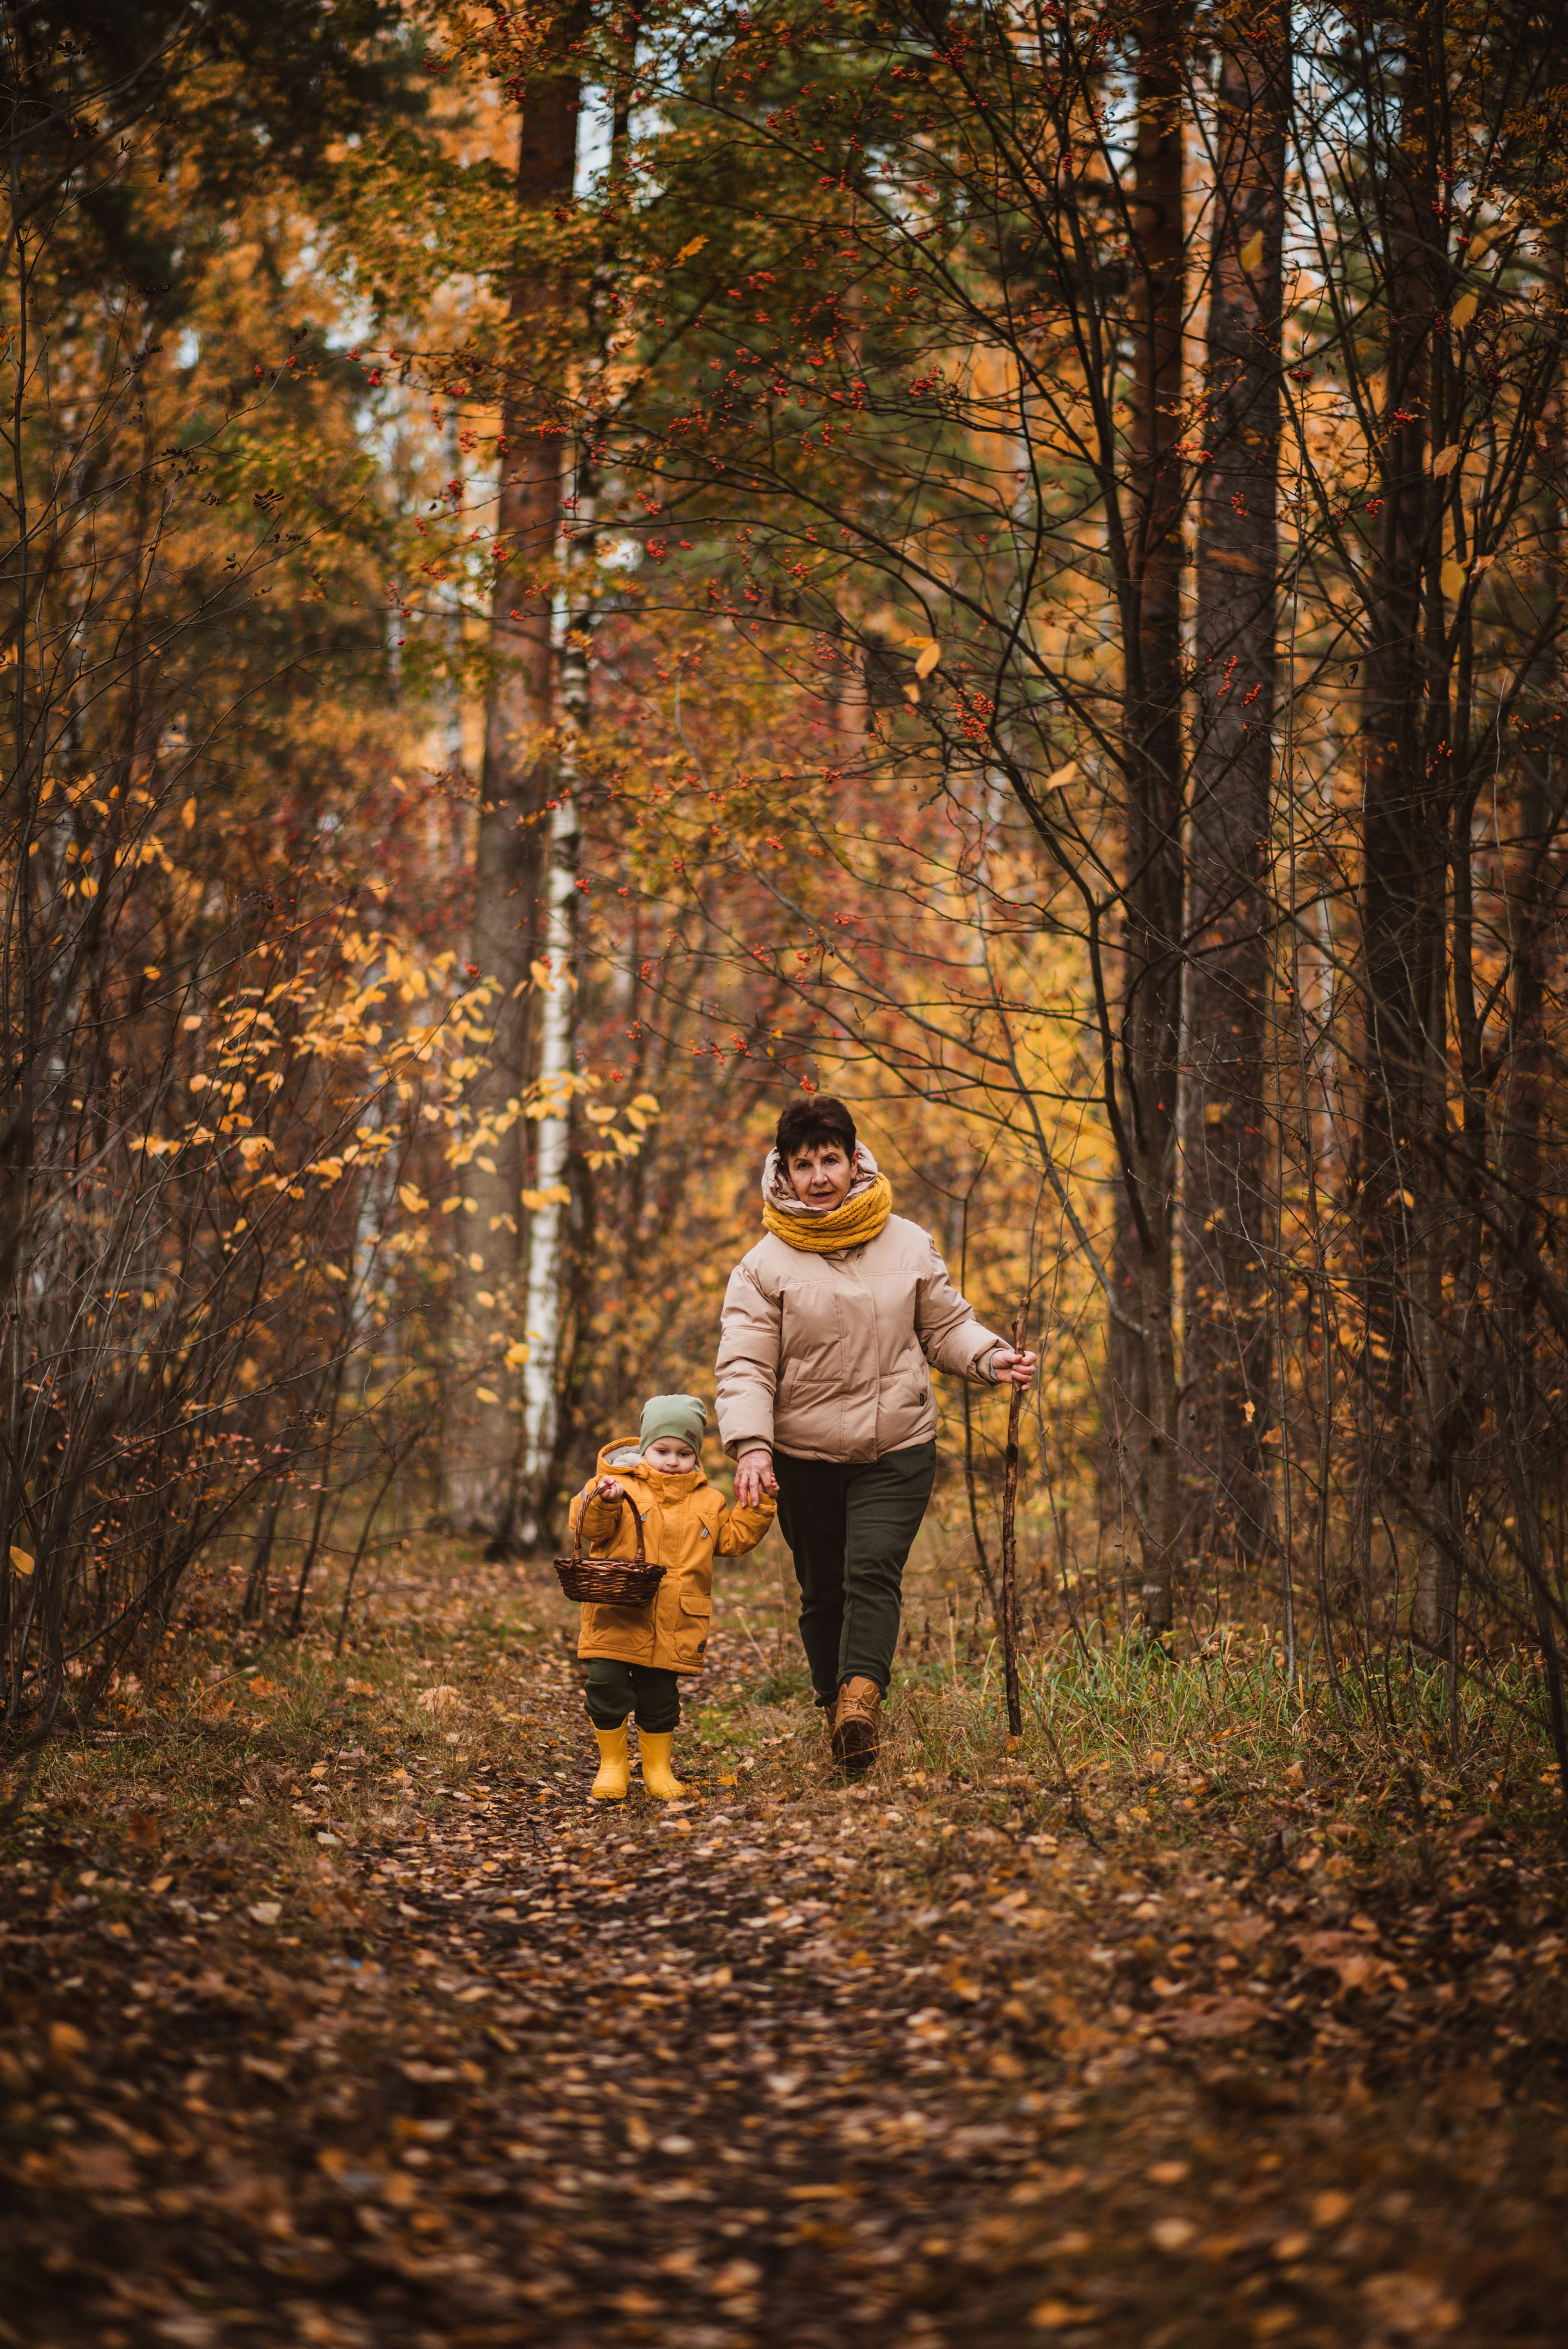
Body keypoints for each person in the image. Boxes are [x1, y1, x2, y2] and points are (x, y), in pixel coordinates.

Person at [715, 1098, 1036, 1776]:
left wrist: (991, 1357)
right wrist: (753, 1445)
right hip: (802, 1456)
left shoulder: (908, 1242)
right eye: (804, 1165)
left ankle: (860, 1703)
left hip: (898, 1444)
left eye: (830, 1160)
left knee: (871, 1569)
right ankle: (835, 1709)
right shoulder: (761, 1266)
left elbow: (945, 1327)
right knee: (822, 1589)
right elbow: (745, 1365)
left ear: (855, 1159)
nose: (819, 1177)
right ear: (783, 1172)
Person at [568, 1393, 775, 1801]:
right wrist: (606, 1504)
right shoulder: (615, 1486)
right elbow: (589, 1528)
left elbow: (733, 1540)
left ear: (696, 1456)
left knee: (660, 1697)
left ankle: (657, 1769)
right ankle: (613, 1764)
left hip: (674, 1619)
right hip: (618, 1612)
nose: (672, 1461)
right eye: (662, 1450)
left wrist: (759, 1502)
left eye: (684, 1453)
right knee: (606, 1685)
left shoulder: (709, 1500)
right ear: (645, 1447)